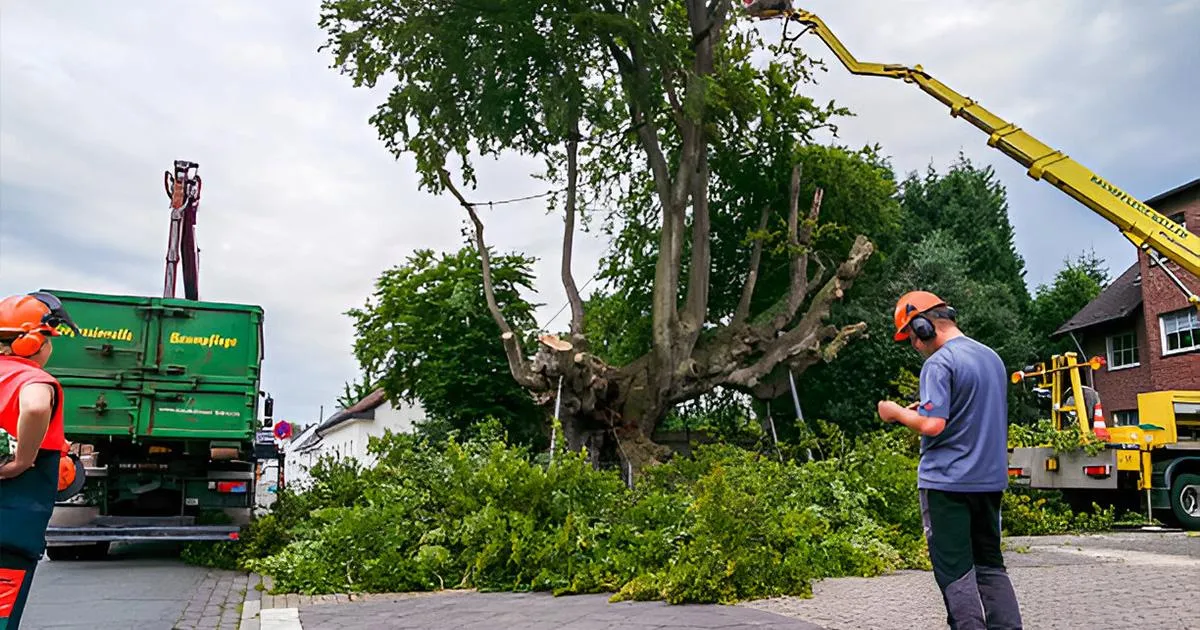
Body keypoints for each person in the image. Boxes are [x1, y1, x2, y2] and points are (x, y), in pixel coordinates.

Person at [876, 290, 1023, 630]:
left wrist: (895, 412)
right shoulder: (992, 359)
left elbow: (933, 424)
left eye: (912, 335)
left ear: (924, 326)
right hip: (989, 483)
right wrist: (924, 411)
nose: (914, 344)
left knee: (955, 569)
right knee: (990, 565)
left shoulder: (939, 363)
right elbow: (968, 413)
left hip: (947, 484)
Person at [0, 291, 80, 630]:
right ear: (32, 341)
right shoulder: (31, 379)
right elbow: (33, 407)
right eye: (49, 340)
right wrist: (22, 460)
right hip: (9, 524)